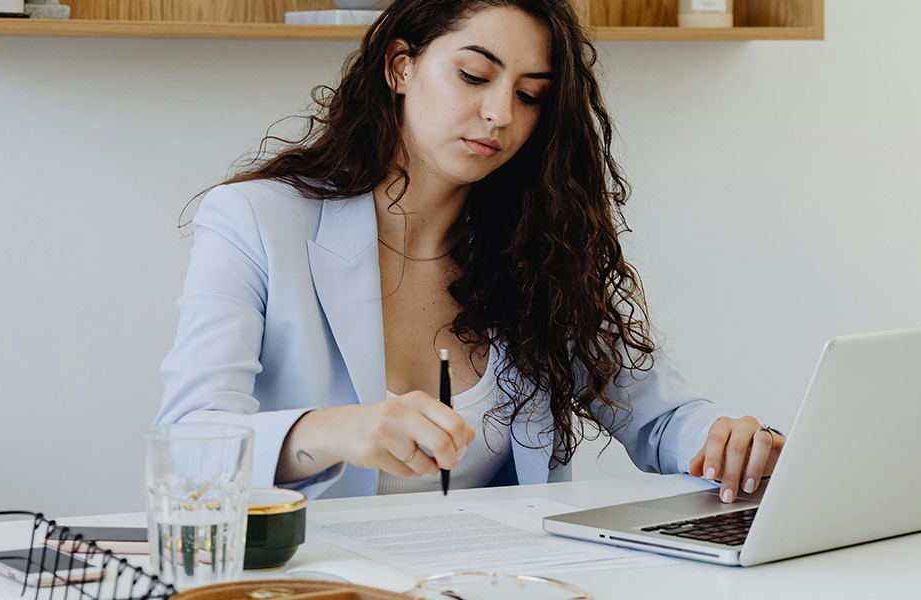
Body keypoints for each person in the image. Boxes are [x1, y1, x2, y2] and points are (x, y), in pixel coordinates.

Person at [155, 0, 782, 501]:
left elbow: (659, 418)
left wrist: (730, 442)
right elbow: (187, 444)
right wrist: (339, 430)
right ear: (400, 67)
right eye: (474, 76)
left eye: (529, 94)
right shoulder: (257, 220)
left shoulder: (536, 247)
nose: (499, 113)